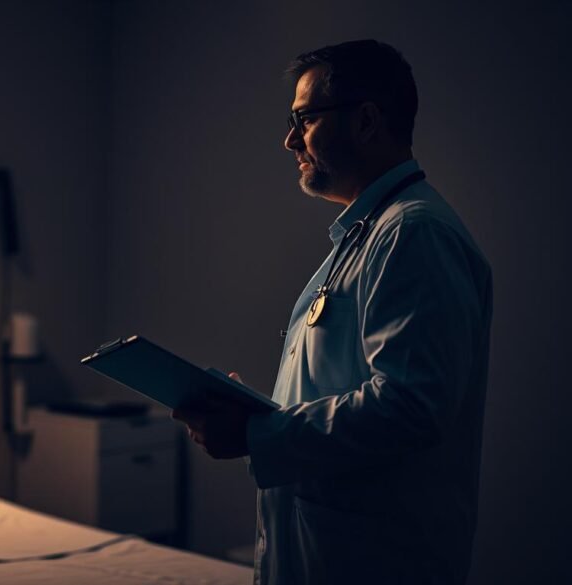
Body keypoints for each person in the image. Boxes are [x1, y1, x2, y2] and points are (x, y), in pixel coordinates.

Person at [172, 40, 492, 585]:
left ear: (366, 120)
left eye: (305, 120)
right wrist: (253, 414)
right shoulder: (368, 235)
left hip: (373, 558)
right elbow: (341, 387)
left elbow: (409, 407)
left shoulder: (414, 233)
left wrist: (257, 436)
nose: (289, 140)